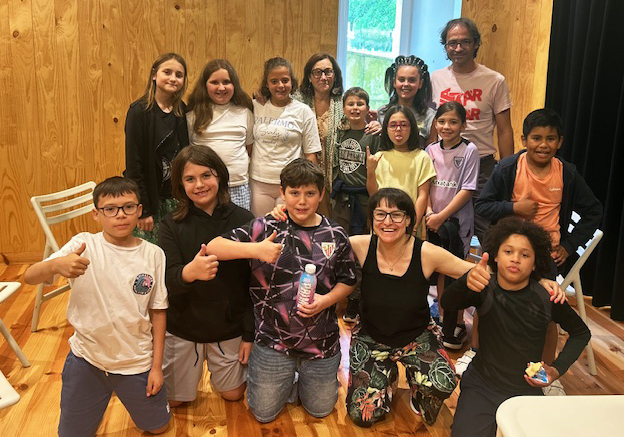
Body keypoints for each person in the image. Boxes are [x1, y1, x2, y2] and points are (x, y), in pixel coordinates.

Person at [206, 158, 357, 423]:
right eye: (294, 193)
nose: (302, 201)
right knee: (262, 413)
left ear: (321, 194)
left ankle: (296, 381)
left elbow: (349, 280)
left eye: (310, 193)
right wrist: (256, 249)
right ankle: (287, 379)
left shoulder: (336, 234)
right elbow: (213, 247)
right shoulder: (266, 227)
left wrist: (326, 301)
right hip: (272, 342)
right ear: (282, 193)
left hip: (321, 344)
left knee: (320, 410)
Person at [24, 177, 170, 436]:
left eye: (128, 207)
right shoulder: (83, 244)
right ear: (96, 214)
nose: (120, 215)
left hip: (135, 361)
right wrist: (55, 265)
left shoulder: (153, 254)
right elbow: (29, 276)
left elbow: (158, 311)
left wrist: (156, 367)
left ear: (139, 210)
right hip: (87, 359)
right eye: (110, 209)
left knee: (158, 427)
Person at [473, 108, 602, 390]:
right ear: (524, 140)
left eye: (550, 139)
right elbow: (482, 205)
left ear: (560, 142)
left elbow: (594, 211)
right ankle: (478, 358)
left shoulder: (566, 173)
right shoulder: (508, 168)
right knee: (487, 304)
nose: (543, 145)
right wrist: (513, 208)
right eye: (536, 138)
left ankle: (545, 374)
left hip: (545, 256)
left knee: (548, 314)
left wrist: (569, 245)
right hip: (507, 251)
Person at [441, 217, 591, 436]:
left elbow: (581, 333)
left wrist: (557, 369)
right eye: (508, 251)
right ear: (495, 255)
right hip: (482, 384)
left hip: (526, 389)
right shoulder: (484, 287)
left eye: (525, 255)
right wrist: (466, 280)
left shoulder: (546, 297)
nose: (515, 259)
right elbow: (447, 303)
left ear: (535, 263)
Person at [158, 146, 254, 407]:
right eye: (190, 179)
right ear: (180, 184)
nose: (199, 185)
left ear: (219, 176)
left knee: (233, 394)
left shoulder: (244, 218)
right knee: (174, 401)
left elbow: (254, 285)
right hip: (184, 326)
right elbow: (167, 282)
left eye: (206, 176)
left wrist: (249, 334)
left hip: (229, 325)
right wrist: (189, 273)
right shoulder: (170, 224)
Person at [431, 17, 514, 242]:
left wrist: (508, 172)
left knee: (486, 231)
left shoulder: (494, 80)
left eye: (465, 42)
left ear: (476, 44)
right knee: (441, 229)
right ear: (445, 46)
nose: (458, 48)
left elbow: (505, 130)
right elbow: (431, 123)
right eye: (452, 43)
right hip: (444, 165)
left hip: (482, 167)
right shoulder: (436, 78)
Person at [294, 53, 381, 216]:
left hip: (333, 182)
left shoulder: (344, 105)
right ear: (309, 77)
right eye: (317, 72)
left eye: (328, 71)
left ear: (335, 75)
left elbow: (360, 124)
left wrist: (377, 124)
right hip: (300, 176)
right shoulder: (296, 103)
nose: (323, 77)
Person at [425, 101, 480, 350]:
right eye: (442, 121)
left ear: (463, 125)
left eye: (453, 122)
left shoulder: (469, 150)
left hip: (457, 224)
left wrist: (442, 216)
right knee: (438, 270)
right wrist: (429, 213)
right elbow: (425, 185)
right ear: (435, 123)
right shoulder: (430, 150)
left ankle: (456, 322)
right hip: (432, 221)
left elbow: (467, 190)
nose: (447, 126)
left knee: (454, 272)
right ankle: (441, 318)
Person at [125, 53, 190, 244]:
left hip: (177, 198)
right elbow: (134, 165)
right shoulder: (139, 111)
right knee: (151, 252)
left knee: (175, 251)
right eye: (167, 72)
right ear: (154, 75)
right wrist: (143, 209)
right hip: (151, 200)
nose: (173, 78)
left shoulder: (181, 110)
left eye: (179, 75)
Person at [249, 57, 321, 216]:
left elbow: (311, 154)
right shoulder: (255, 106)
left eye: (285, 80)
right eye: (274, 81)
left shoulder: (304, 111)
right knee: (260, 227)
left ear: (292, 82)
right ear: (267, 84)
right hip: (259, 182)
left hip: (292, 184)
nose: (280, 85)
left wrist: (306, 187)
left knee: (287, 228)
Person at [333, 87, 380, 323]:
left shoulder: (374, 134)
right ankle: (338, 295)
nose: (355, 108)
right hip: (342, 201)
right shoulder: (338, 134)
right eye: (350, 104)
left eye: (360, 104)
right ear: (343, 108)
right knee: (340, 248)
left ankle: (355, 299)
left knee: (362, 250)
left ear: (367, 108)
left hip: (365, 200)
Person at [186, 59, 254, 210]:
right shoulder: (193, 116)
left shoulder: (245, 113)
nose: (221, 87)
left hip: (237, 184)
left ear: (234, 85)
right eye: (214, 82)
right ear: (205, 86)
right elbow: (188, 153)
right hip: (205, 187)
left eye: (226, 82)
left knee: (240, 224)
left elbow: (249, 149)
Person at [366, 105, 436, 238]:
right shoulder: (379, 157)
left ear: (412, 128)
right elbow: (373, 194)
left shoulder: (422, 157)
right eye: (393, 125)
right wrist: (370, 171)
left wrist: (413, 226)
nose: (398, 129)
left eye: (403, 125)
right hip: (383, 224)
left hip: (409, 223)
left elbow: (422, 195)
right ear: (386, 129)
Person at [378, 55, 436, 145]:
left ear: (420, 83)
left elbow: (432, 148)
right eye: (401, 80)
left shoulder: (430, 116)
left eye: (412, 80)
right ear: (394, 82)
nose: (406, 84)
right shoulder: (382, 113)